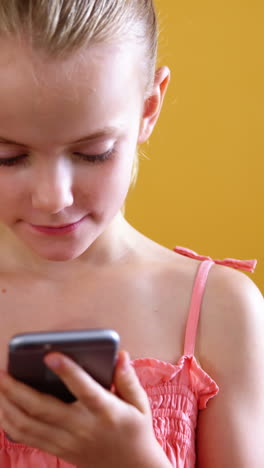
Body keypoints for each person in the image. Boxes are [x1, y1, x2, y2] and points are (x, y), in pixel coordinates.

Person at [0, 1, 263, 467]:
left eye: (93, 152)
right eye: (8, 157)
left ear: (149, 109)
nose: (52, 198)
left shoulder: (219, 313)